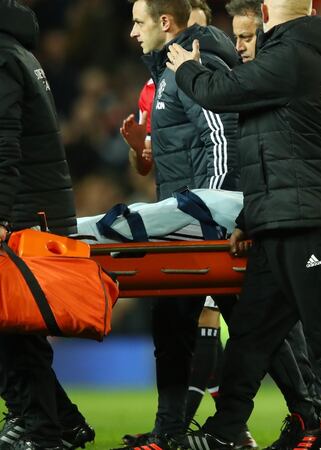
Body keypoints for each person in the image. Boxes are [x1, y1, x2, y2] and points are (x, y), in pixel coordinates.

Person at [166, 1, 321, 449]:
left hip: (304, 223)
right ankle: (226, 430)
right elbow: (277, 149)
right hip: (280, 220)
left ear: (266, 10)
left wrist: (188, 69)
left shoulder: (290, 56)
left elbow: (220, 92)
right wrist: (251, 218)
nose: (243, 43)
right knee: (249, 338)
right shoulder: (303, 59)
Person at [118, 1, 242, 448]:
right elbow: (165, 159)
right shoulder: (160, 78)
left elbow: (220, 142)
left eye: (137, 22)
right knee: (170, 329)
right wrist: (141, 151)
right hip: (178, 226)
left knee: (253, 332)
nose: (132, 32)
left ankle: (308, 418)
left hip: (203, 227)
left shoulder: (192, 69)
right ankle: (169, 432)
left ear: (165, 23)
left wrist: (208, 213)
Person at [0, 1, 95, 449]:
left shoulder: (3, 57)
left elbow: (3, 144)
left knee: (14, 327)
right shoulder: (18, 53)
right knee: (16, 326)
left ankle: (37, 423)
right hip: (32, 206)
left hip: (22, 211)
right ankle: (58, 420)